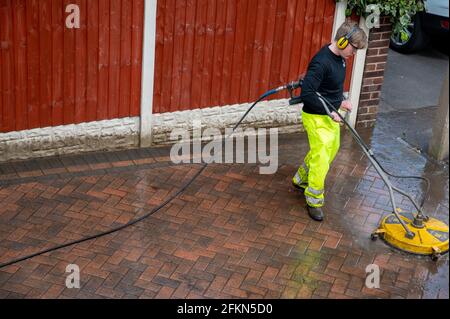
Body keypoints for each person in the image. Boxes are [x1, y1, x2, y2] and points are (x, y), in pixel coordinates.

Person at [292, 21, 368, 221]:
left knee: (330, 148)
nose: (354, 53)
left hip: (330, 114)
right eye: (354, 48)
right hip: (316, 116)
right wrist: (330, 112)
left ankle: (301, 179)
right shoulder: (321, 62)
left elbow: (328, 90)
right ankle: (314, 200)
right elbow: (308, 94)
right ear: (343, 42)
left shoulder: (341, 59)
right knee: (322, 156)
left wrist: (341, 102)